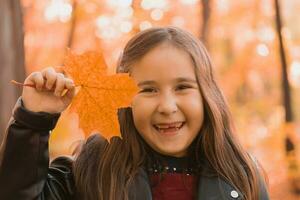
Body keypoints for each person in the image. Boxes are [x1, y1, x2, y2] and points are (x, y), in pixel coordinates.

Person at [0, 26, 269, 200]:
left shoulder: (243, 175)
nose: (166, 106)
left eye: (183, 87)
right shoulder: (91, 171)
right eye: (148, 90)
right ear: (124, 100)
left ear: (208, 95)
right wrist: (33, 120)